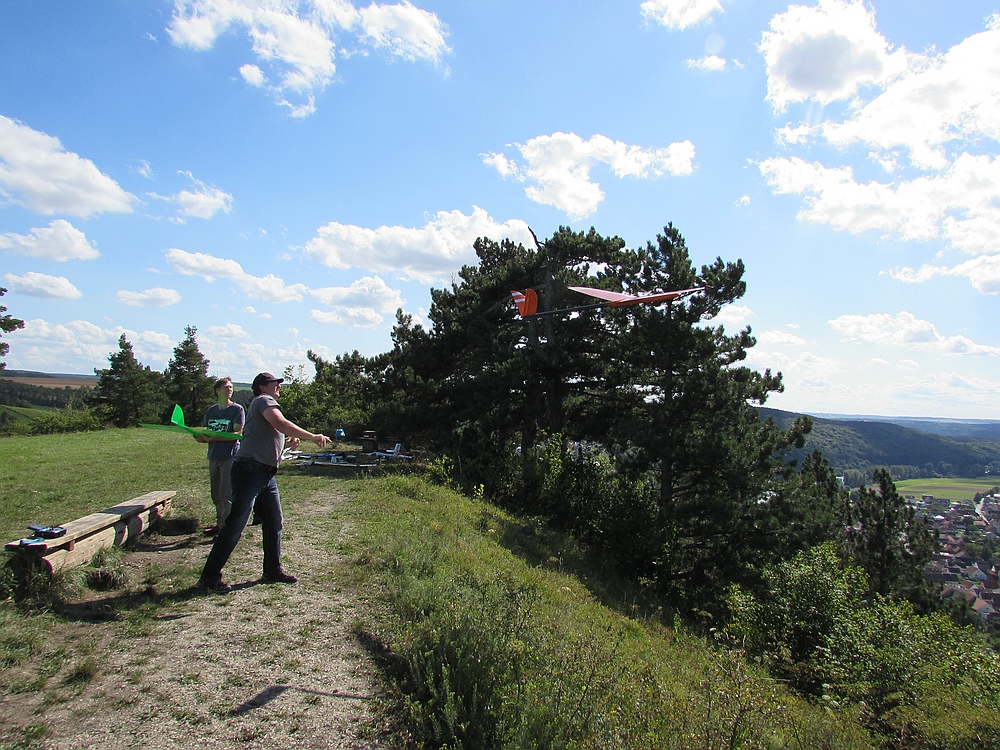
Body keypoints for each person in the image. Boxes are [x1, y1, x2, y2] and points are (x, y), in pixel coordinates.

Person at [197, 372, 331, 594]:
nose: (278, 386)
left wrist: (286, 444)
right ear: (262, 387)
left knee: (273, 521)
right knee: (236, 523)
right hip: (250, 471)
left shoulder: (262, 407)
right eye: (274, 383)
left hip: (264, 473)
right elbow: (281, 423)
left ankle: (272, 570)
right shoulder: (263, 400)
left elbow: (265, 441)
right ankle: (209, 578)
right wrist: (312, 436)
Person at [196, 376, 245, 537]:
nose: (229, 390)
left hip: (230, 456)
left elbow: (238, 434)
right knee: (216, 493)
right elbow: (205, 431)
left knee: (226, 494)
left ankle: (226, 529)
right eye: (226, 387)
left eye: (231, 387)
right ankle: (219, 524)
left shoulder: (237, 409)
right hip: (213, 455)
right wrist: (199, 437)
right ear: (217, 391)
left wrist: (214, 437)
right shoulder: (211, 411)